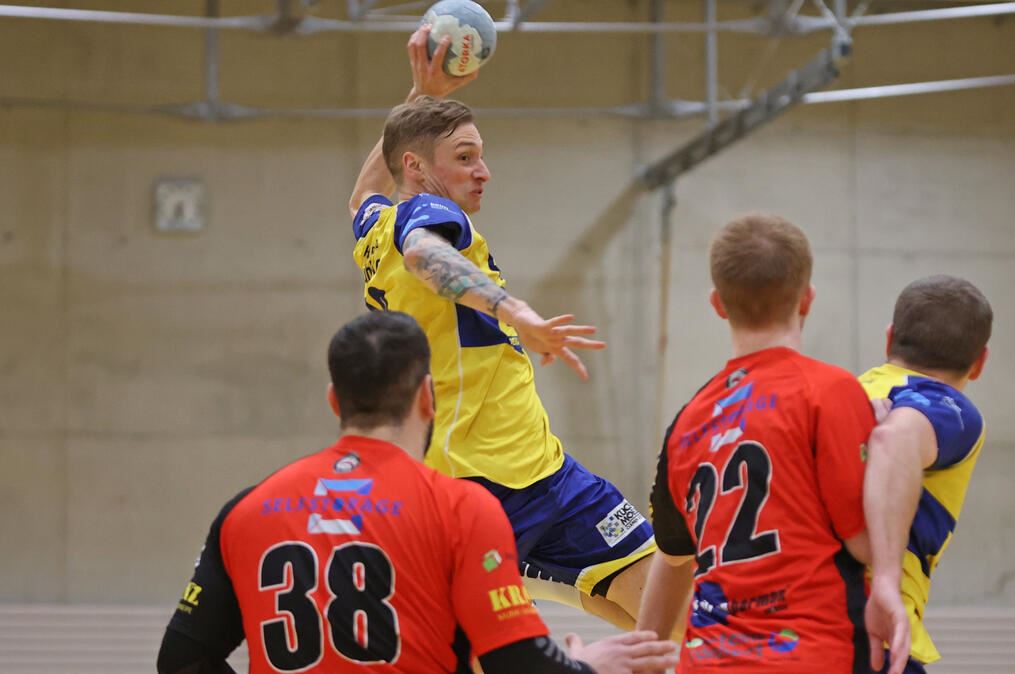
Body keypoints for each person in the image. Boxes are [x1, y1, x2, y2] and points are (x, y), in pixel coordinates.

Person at [345, 25, 659, 630]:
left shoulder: (374, 222)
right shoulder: (423, 214)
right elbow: (424, 255)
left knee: (662, 604)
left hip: (543, 471)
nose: (483, 171)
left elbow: (363, 189)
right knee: (488, 647)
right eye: (465, 158)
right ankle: (529, 581)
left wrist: (418, 92)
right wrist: (518, 313)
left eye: (481, 155)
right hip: (480, 485)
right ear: (417, 168)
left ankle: (540, 579)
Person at [155, 311, 679, 674]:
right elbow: (515, 661)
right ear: (428, 398)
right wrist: (587, 665)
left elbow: (180, 660)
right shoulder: (460, 509)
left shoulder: (246, 510)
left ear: (334, 400)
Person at [636, 213, 908, 673]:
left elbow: (672, 557)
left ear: (718, 304)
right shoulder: (830, 392)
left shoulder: (686, 423)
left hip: (707, 662)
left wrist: (640, 659)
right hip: (813, 654)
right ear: (807, 298)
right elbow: (865, 544)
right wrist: (892, 445)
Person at [860, 275, 993, 674]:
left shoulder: (833, 395)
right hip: (872, 631)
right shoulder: (945, 409)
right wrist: (884, 580)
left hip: (783, 628)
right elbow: (895, 440)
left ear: (889, 339)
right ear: (980, 362)